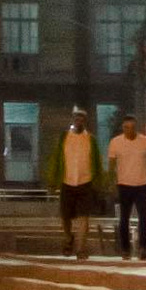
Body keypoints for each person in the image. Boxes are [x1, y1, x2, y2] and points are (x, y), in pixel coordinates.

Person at [107, 113, 146, 261]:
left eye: (132, 127)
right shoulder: (115, 142)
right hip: (123, 184)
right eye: (126, 127)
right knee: (124, 218)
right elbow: (111, 165)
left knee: (144, 218)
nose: (129, 130)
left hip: (142, 184)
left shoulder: (145, 141)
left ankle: (143, 248)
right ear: (122, 128)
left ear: (136, 127)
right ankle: (125, 249)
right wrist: (111, 183)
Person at [55, 108, 102, 259]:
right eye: (76, 118)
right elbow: (56, 159)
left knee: (83, 217)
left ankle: (81, 249)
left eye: (82, 119)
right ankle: (68, 239)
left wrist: (99, 181)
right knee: (65, 216)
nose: (79, 121)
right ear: (72, 119)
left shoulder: (90, 139)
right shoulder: (64, 137)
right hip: (67, 181)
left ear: (85, 121)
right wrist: (52, 180)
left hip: (85, 182)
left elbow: (97, 162)